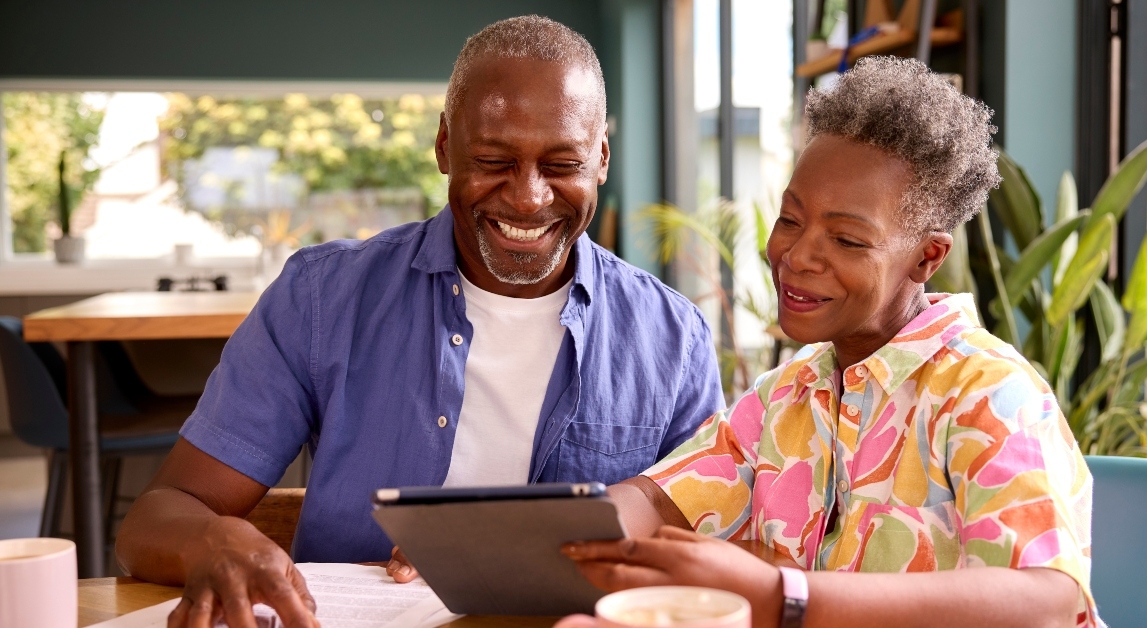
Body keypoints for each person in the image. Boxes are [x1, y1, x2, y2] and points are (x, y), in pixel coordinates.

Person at [115, 16, 724, 628]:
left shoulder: (673, 338)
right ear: (443, 147)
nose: (528, 197)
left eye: (561, 163)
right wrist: (215, 541)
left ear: (601, 159)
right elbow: (158, 516)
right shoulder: (321, 299)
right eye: (493, 159)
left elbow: (708, 555)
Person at [560, 57, 1100, 628]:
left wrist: (786, 596)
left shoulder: (990, 392)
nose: (798, 257)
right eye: (791, 220)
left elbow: (1049, 600)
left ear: (927, 257)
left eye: (846, 239)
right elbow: (657, 502)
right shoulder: (785, 397)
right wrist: (544, 537)